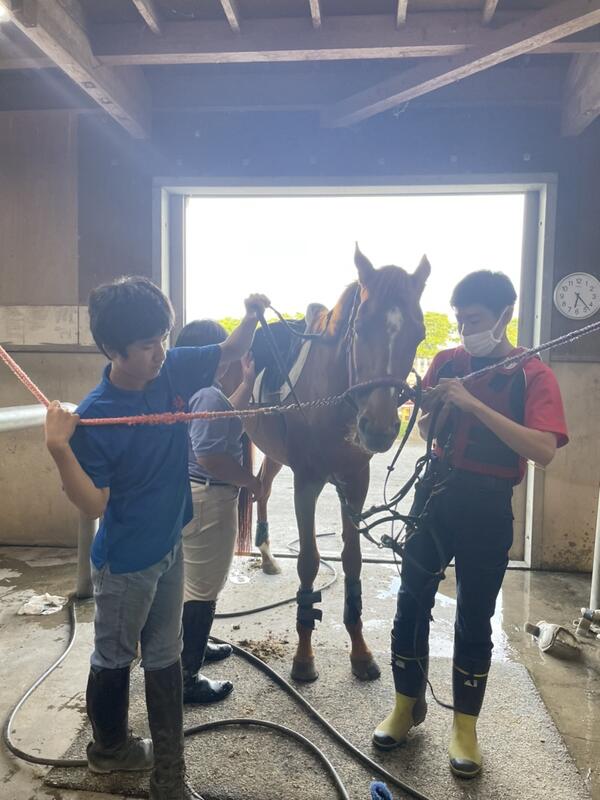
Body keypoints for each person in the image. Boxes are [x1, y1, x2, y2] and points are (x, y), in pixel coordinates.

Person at [44, 277, 269, 800]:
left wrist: (252, 315)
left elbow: (230, 348)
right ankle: (110, 750)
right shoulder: (97, 414)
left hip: (170, 546)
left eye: (163, 339)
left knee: (166, 655)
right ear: (112, 348)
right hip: (125, 564)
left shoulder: (172, 368)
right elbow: (93, 504)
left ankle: (169, 777)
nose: (160, 353)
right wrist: (60, 449)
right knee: (114, 656)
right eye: (148, 345)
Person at [372, 270, 568, 778]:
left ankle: (465, 728)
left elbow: (543, 450)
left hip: (487, 504)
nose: (465, 330)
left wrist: (473, 404)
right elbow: (426, 428)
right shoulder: (446, 362)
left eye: (475, 320)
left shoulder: (532, 374)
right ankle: (405, 705)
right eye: (460, 320)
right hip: (434, 493)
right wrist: (432, 409)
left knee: (475, 615)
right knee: (410, 599)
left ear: (505, 315)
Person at [174, 320, 262, 704]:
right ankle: (187, 677)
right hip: (209, 500)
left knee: (192, 581)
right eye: (222, 349)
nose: (227, 356)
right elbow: (211, 456)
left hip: (195, 496)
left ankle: (193, 646)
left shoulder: (198, 392)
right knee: (203, 588)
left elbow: (225, 418)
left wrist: (248, 381)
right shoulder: (208, 395)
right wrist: (251, 481)